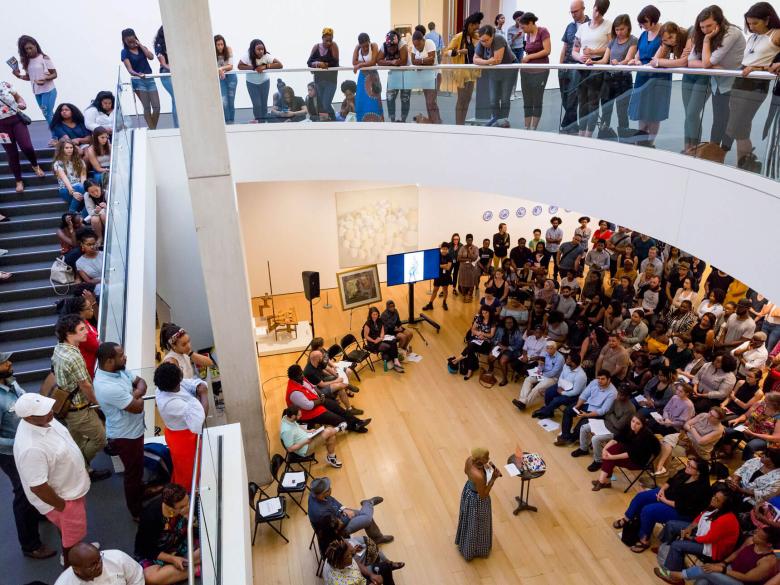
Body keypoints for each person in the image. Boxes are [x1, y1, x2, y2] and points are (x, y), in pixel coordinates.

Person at [13, 393, 90, 568]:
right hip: (65, 499)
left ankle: (76, 551)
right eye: (43, 410)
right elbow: (38, 487)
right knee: (72, 540)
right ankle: (73, 567)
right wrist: (64, 507)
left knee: (69, 533)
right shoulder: (31, 448)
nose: (50, 411)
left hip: (71, 489)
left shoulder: (44, 419)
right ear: (29, 417)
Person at [0, 353, 55, 560]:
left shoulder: (11, 382)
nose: (9, 363)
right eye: (4, 362)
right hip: (10, 454)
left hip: (26, 446)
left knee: (38, 481)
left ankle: (40, 513)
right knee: (23, 494)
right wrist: (22, 442)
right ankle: (30, 545)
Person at [51, 314, 109, 480]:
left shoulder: (59, 348)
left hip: (67, 406)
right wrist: (98, 403)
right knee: (100, 438)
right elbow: (85, 385)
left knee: (75, 440)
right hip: (79, 409)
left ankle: (80, 466)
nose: (86, 332)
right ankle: (80, 466)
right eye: (82, 329)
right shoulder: (75, 356)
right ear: (70, 334)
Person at [93, 342, 147, 520]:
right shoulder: (107, 386)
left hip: (134, 431)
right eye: (121, 355)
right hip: (126, 437)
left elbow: (141, 382)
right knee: (132, 474)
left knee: (137, 470)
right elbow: (138, 407)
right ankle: (137, 511)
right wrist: (136, 395)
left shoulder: (119, 370)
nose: (125, 357)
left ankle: (141, 495)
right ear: (109, 361)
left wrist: (134, 394)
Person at [685, 6, 746, 158]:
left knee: (730, 122)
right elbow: (691, 61)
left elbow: (707, 63)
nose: (705, 30)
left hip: (735, 84)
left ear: (719, 22)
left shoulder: (732, 32)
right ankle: (713, 154)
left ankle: (722, 153)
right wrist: (711, 64)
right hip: (717, 82)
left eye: (709, 26)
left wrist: (706, 42)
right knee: (718, 119)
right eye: (702, 27)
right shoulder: (701, 33)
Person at [615, 459, 712, 553]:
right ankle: (627, 519)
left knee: (648, 511)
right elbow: (671, 480)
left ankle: (644, 539)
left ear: (698, 472)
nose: (687, 466)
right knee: (641, 497)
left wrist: (663, 500)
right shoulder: (686, 471)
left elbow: (682, 506)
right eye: (688, 463)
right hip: (667, 495)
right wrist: (662, 490)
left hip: (681, 511)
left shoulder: (701, 489)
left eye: (691, 466)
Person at [728, 3, 780, 171]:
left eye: (755, 23)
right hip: (740, 80)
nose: (751, 27)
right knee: (741, 125)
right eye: (749, 23)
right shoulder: (753, 37)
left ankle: (747, 160)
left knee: (737, 125)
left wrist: (761, 68)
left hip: (756, 83)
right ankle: (743, 162)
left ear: (767, 19)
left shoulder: (776, 34)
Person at [654, 488, 740, 584]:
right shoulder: (714, 507)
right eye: (714, 496)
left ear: (724, 505)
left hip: (712, 548)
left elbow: (709, 538)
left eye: (717, 500)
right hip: (701, 533)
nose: (713, 499)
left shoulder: (726, 519)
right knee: (671, 524)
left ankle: (673, 576)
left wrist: (691, 538)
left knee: (677, 545)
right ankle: (666, 550)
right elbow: (701, 516)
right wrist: (689, 528)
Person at [153, 362, 207, 490]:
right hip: (182, 440)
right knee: (189, 473)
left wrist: (199, 387)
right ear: (176, 382)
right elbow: (200, 416)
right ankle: (188, 497)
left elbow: (193, 383)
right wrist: (203, 394)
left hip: (184, 433)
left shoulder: (169, 385)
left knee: (192, 467)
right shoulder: (169, 403)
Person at [135, 483, 201, 585]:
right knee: (150, 577)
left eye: (188, 502)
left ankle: (184, 567)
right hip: (157, 554)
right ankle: (196, 568)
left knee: (210, 545)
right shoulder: (150, 517)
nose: (188, 507)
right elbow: (148, 549)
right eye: (183, 506)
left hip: (181, 545)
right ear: (171, 510)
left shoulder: (185, 501)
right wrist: (173, 559)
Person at [679, 525, 780, 585]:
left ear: (768, 544)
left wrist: (722, 570)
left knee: (707, 570)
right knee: (702, 582)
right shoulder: (750, 541)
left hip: (741, 582)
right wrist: (723, 563)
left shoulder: (769, 561)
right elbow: (736, 553)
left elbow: (747, 578)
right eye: (756, 533)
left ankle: (676, 575)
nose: (754, 535)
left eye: (758, 536)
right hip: (730, 570)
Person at [285, 364, 370, 433]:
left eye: (301, 373)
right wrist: (321, 400)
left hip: (317, 401)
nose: (302, 375)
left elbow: (313, 387)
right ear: (294, 378)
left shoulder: (301, 379)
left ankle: (358, 422)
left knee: (338, 408)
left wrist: (321, 394)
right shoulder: (294, 393)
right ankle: (355, 427)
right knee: (336, 418)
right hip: (309, 413)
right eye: (300, 375)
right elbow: (309, 406)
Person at [571, 0, 613, 138]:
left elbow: (611, 47)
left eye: (600, 12)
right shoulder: (582, 27)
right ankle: (581, 132)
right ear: (592, 8)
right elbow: (574, 51)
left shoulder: (608, 25)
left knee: (593, 102)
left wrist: (593, 52)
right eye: (595, 10)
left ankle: (588, 135)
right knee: (582, 101)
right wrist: (579, 58)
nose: (596, 14)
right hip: (583, 66)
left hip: (597, 66)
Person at [308, 477, 393, 543]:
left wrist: (343, 509)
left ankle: (377, 537)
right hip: (337, 532)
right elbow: (336, 526)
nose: (330, 489)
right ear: (322, 493)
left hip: (337, 515)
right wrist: (348, 517)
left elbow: (331, 499)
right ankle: (368, 503)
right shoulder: (321, 514)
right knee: (367, 518)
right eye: (328, 489)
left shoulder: (314, 494)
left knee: (366, 516)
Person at [627, 5, 667, 146]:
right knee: (641, 110)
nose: (642, 26)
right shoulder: (644, 34)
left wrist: (642, 64)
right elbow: (638, 54)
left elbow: (656, 59)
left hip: (656, 78)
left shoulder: (664, 35)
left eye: (644, 22)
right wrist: (635, 60)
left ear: (653, 20)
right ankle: (641, 139)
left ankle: (650, 142)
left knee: (653, 112)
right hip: (642, 76)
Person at [574, 384, 636, 471]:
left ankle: (598, 461)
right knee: (584, 427)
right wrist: (613, 417)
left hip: (616, 432)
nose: (618, 396)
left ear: (627, 396)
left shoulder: (630, 409)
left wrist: (612, 416)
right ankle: (583, 449)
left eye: (621, 395)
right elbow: (607, 414)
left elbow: (619, 426)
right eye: (618, 393)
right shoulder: (616, 400)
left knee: (595, 439)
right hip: (605, 423)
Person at [591, 415, 661, 491]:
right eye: (633, 421)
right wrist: (604, 449)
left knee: (610, 458)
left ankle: (602, 481)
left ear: (642, 426)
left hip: (638, 460)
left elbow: (630, 454)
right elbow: (615, 440)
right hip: (628, 451)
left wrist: (611, 457)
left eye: (638, 423)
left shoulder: (645, 436)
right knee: (611, 449)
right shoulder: (628, 427)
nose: (634, 424)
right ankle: (605, 481)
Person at [455, 447, 501, 561]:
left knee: (468, 520)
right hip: (477, 500)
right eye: (486, 457)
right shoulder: (479, 477)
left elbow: (465, 471)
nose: (489, 459)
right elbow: (483, 494)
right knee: (479, 523)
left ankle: (465, 544)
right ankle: (476, 550)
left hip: (468, 492)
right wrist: (493, 479)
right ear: (480, 459)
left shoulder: (470, 460)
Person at [0, 80, 44, 196]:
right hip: (1, 127)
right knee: (11, 153)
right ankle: (18, 180)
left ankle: (35, 165)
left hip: (17, 120)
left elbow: (19, 98)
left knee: (27, 146)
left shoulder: (5, 84)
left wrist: (22, 104)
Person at [655, 408, 726, 476]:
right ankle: (660, 465)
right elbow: (686, 424)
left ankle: (664, 470)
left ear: (718, 420)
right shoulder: (703, 415)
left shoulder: (718, 430)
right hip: (686, 438)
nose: (709, 415)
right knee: (667, 438)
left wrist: (692, 429)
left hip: (697, 449)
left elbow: (700, 441)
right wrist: (693, 431)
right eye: (710, 413)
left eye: (713, 416)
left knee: (667, 447)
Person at [555, 370, 617, 446]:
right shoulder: (595, 382)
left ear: (609, 379)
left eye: (603, 379)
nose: (600, 381)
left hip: (597, 412)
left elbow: (603, 410)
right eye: (599, 378)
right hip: (587, 404)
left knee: (581, 425)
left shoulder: (613, 392)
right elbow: (584, 394)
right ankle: (565, 436)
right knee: (568, 410)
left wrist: (587, 415)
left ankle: (571, 439)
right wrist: (578, 405)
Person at [473, 24, 518, 126]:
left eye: (486, 40)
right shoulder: (482, 42)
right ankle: (497, 121)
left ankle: (503, 121)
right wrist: (488, 61)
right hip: (494, 71)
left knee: (505, 98)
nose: (484, 43)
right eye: (482, 41)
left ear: (492, 36)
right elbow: (475, 59)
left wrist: (484, 61)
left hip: (508, 70)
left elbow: (497, 60)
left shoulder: (499, 39)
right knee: (493, 100)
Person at [442, 13, 483, 125]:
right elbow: (446, 52)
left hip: (471, 72)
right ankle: (458, 125)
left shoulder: (475, 37)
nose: (476, 30)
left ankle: (462, 124)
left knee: (467, 100)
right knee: (461, 100)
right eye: (475, 28)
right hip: (461, 72)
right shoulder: (459, 37)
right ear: (470, 25)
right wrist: (459, 52)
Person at [601, 14, 637, 134]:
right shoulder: (612, 42)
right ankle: (604, 135)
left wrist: (619, 63)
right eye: (616, 29)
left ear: (628, 27)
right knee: (606, 110)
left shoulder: (633, 40)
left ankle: (623, 139)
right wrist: (592, 61)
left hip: (623, 79)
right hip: (609, 78)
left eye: (622, 29)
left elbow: (628, 59)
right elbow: (604, 60)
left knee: (622, 112)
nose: (619, 32)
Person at [12, 35, 57, 131]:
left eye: (30, 48)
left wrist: (45, 78)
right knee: (48, 114)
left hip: (48, 90)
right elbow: (30, 77)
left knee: (47, 114)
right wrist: (18, 76)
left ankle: (56, 137)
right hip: (37, 92)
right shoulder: (27, 61)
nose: (29, 50)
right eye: (26, 49)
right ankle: (61, 135)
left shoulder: (44, 58)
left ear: (36, 45)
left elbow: (54, 74)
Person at [120, 28, 160, 129]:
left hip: (149, 79)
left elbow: (151, 57)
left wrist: (140, 45)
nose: (131, 43)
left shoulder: (142, 49)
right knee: (146, 107)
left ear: (135, 38)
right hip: (138, 81)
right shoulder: (125, 52)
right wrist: (138, 74)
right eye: (128, 41)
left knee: (156, 107)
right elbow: (130, 70)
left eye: (133, 40)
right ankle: (153, 130)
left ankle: (152, 129)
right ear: (124, 41)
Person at [722, 392, 780, 461]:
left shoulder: (778, 417)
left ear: (774, 405)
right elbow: (746, 415)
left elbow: (776, 438)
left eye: (766, 401)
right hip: (748, 428)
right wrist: (737, 419)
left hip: (763, 438)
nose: (764, 401)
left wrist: (753, 434)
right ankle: (728, 453)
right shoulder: (760, 403)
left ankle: (747, 465)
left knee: (750, 446)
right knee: (727, 431)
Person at [560, 1, 589, 133]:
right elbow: (565, 47)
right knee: (565, 98)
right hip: (566, 65)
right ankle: (572, 124)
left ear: (583, 9)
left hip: (579, 66)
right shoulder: (569, 27)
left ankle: (569, 126)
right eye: (571, 12)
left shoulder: (591, 25)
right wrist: (560, 65)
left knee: (573, 97)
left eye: (575, 11)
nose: (573, 14)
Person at [519, 13, 552, 130]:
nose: (522, 30)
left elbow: (547, 50)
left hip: (540, 71)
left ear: (530, 23)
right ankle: (526, 127)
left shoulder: (543, 31)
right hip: (526, 72)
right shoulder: (527, 35)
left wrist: (529, 57)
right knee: (527, 100)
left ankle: (533, 128)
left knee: (537, 99)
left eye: (523, 27)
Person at [55, 542, 144, 585]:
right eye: (92, 565)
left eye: (99, 559)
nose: (99, 565)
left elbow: (137, 577)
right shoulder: (64, 583)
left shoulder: (118, 558)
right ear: (76, 569)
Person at [237, 39, 282, 123]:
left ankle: (264, 122)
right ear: (253, 50)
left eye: (262, 49)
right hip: (251, 83)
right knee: (257, 104)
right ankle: (258, 121)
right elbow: (239, 66)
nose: (261, 51)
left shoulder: (266, 56)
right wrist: (254, 67)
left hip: (264, 82)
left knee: (264, 104)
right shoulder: (247, 56)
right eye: (258, 49)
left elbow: (280, 65)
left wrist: (265, 66)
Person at [533, 353, 588, 419]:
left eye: (568, 359)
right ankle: (549, 412)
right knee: (548, 392)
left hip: (573, 395)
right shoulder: (566, 366)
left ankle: (544, 411)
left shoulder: (581, 376)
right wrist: (559, 386)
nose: (566, 360)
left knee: (557, 400)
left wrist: (562, 393)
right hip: (562, 386)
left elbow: (575, 392)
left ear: (573, 363)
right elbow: (561, 377)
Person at [305, 350, 361, 414]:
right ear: (317, 359)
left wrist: (336, 376)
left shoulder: (318, 362)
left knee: (340, 388)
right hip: (317, 391)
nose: (323, 357)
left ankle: (349, 409)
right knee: (339, 385)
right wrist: (336, 380)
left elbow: (328, 369)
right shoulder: (310, 371)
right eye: (321, 356)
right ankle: (347, 386)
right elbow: (322, 385)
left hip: (322, 380)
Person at [514, 341, 565, 410]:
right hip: (543, 373)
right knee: (528, 379)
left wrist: (542, 374)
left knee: (538, 388)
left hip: (553, 378)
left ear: (555, 349)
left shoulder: (560, 358)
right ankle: (522, 400)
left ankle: (524, 403)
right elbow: (540, 368)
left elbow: (553, 373)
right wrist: (541, 365)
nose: (548, 350)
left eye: (551, 348)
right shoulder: (545, 354)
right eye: (547, 348)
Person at [450, 307, 497, 381]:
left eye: (486, 313)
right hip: (477, 339)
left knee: (471, 345)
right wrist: (478, 334)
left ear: (490, 312)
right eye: (483, 312)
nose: (484, 314)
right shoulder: (479, 318)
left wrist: (483, 334)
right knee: (471, 348)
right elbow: (473, 329)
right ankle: (469, 371)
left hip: (486, 342)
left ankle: (460, 358)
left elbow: (491, 335)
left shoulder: (493, 322)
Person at [321, 538, 393, 585]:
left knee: (386, 566)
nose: (353, 555)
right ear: (341, 562)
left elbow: (356, 563)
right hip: (358, 582)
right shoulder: (341, 582)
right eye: (349, 555)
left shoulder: (332, 557)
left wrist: (371, 575)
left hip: (360, 578)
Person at [307, 28, 339, 121]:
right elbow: (309, 62)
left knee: (326, 103)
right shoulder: (316, 47)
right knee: (322, 104)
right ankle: (326, 120)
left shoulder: (334, 46)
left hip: (331, 80)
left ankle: (333, 119)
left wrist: (324, 64)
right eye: (327, 40)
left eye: (330, 40)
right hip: (318, 80)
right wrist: (318, 64)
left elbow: (335, 62)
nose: (329, 43)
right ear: (322, 38)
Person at [352, 33, 383, 122]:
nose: (365, 48)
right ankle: (362, 122)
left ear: (369, 41)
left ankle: (377, 121)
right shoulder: (357, 47)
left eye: (366, 46)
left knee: (374, 101)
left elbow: (373, 61)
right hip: (362, 77)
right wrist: (361, 65)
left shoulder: (374, 46)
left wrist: (360, 65)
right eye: (363, 47)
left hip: (373, 77)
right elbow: (354, 62)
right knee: (361, 100)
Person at [363, 306, 403, 373]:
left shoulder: (379, 320)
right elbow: (366, 336)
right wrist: (374, 340)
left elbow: (382, 330)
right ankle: (392, 360)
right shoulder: (367, 324)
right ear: (370, 315)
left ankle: (395, 360)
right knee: (388, 346)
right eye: (373, 314)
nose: (375, 316)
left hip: (380, 338)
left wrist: (381, 338)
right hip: (373, 343)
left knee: (393, 341)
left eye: (376, 314)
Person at [53, 137, 87, 214]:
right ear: (62, 149)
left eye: (71, 147)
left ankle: (73, 215)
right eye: (67, 148)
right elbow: (65, 179)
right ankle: (72, 212)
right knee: (80, 188)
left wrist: (84, 190)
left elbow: (83, 178)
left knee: (85, 190)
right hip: (66, 189)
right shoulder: (58, 164)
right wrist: (73, 192)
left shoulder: (80, 161)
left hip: (80, 188)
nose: (69, 149)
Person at [153, 27, 178, 129]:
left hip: (175, 73)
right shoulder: (159, 45)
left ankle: (178, 125)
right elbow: (163, 64)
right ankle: (178, 125)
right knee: (177, 98)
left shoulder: (173, 42)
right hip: (166, 73)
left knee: (175, 99)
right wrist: (175, 70)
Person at [214, 35, 237, 124]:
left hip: (231, 77)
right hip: (220, 78)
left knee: (231, 101)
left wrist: (220, 69)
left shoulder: (228, 49)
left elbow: (230, 66)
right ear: (214, 45)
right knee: (224, 102)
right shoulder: (211, 52)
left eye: (222, 44)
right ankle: (227, 122)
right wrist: (219, 70)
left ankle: (232, 122)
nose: (220, 46)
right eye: (218, 45)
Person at [424, 242, 452, 311]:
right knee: (435, 290)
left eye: (446, 249)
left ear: (448, 249)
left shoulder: (449, 256)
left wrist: (440, 266)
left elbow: (448, 267)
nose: (444, 250)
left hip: (446, 276)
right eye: (443, 249)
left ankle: (444, 303)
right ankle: (430, 304)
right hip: (438, 276)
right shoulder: (437, 255)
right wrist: (444, 265)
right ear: (441, 249)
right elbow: (435, 265)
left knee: (445, 290)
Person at [75, 229, 103, 297]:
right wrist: (103, 280)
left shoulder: (103, 254)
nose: (92, 247)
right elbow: (88, 281)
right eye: (89, 244)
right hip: (98, 287)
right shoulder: (79, 262)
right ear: (82, 245)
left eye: (94, 244)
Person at [457, 234, 480, 301]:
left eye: (470, 240)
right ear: (466, 240)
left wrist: (470, 251)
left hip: (472, 268)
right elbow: (458, 258)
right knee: (462, 282)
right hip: (463, 268)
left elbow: (475, 258)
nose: (469, 241)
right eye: (468, 240)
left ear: (472, 240)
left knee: (471, 282)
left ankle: (470, 296)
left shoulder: (475, 248)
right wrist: (468, 259)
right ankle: (464, 295)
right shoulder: (462, 248)